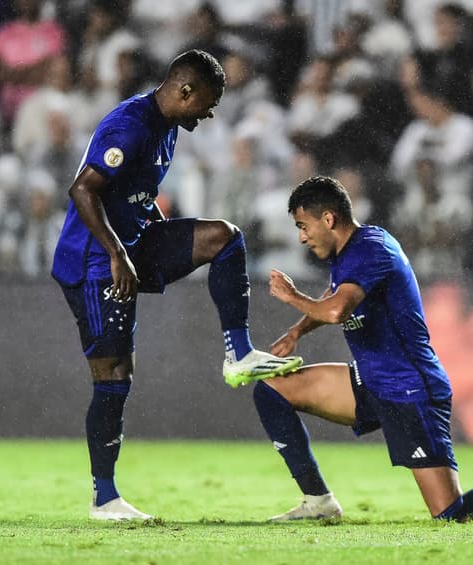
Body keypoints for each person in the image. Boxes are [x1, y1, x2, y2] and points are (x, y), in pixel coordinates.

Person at [51, 49, 302, 521]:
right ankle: (105, 498)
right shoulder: (131, 124)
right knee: (113, 374)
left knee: (224, 238)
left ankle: (239, 351)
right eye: (207, 102)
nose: (209, 113)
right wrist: (118, 253)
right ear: (184, 90)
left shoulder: (167, 125)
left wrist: (156, 232)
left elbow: (135, 193)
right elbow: (83, 189)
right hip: (95, 262)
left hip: (133, 243)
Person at [256, 175, 473, 523]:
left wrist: (292, 297)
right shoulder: (349, 252)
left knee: (451, 514)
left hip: (410, 389)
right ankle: (318, 501)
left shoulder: (372, 248)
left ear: (328, 219)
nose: (301, 237)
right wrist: (297, 331)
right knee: (273, 391)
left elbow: (338, 309)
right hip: (370, 381)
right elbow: (333, 298)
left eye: (303, 226)